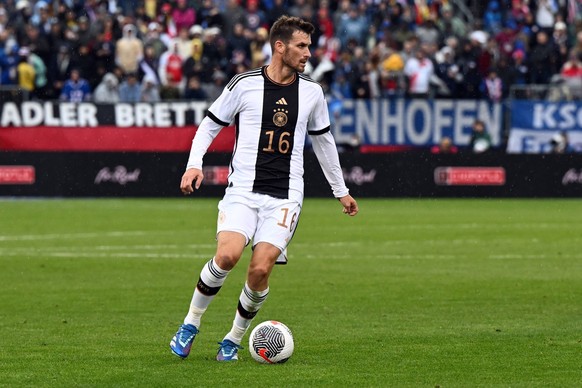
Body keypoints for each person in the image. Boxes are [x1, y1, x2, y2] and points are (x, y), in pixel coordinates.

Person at [170, 15, 359, 362]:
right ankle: (190, 324)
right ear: (280, 46)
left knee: (259, 270)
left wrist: (340, 189)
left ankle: (233, 338)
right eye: (301, 46)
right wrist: (194, 163)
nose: (307, 53)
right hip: (242, 189)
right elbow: (210, 125)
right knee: (227, 256)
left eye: (309, 46)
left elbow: (324, 142)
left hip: (285, 196)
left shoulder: (312, 92)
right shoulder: (243, 84)